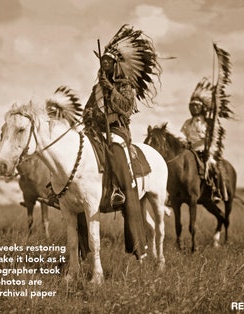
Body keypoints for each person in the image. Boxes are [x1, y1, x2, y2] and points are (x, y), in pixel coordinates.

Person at [82, 25, 161, 259]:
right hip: (96, 132)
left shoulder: (124, 86)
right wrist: (87, 121)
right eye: (102, 63)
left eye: (108, 63)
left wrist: (111, 91)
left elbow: (126, 109)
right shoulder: (97, 88)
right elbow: (88, 110)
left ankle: (120, 191)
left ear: (115, 65)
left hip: (117, 133)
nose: (104, 66)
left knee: (116, 154)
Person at [181, 79, 222, 201]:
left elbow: (213, 139)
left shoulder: (208, 123)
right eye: (191, 105)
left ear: (201, 107)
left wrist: (208, 149)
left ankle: (215, 191)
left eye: (196, 105)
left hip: (204, 152)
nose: (193, 108)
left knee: (213, 167)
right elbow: (182, 135)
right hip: (189, 152)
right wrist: (183, 142)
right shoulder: (187, 122)